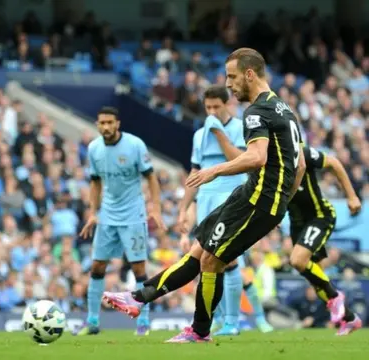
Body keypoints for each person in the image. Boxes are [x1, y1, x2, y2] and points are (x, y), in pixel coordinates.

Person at [103, 48, 306, 343]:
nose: (229, 84)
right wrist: (283, 202)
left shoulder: (255, 113)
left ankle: (200, 330)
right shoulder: (284, 109)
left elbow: (257, 157)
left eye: (232, 77)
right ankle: (138, 298)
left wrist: (215, 172)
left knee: (212, 261)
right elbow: (298, 164)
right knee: (197, 253)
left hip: (258, 200)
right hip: (251, 195)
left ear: (250, 74)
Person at [175, 85, 273, 336]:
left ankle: (234, 320)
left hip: (232, 196)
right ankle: (219, 320)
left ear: (227, 105)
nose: (211, 112)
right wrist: (184, 208)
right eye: (208, 108)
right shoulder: (199, 135)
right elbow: (195, 172)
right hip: (206, 199)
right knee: (208, 264)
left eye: (216, 107)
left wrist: (218, 132)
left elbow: (240, 159)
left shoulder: (243, 127)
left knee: (229, 261)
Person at [73, 106, 166, 337]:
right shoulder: (94, 148)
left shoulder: (135, 145)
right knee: (97, 266)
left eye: (109, 123)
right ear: (97, 124)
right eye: (101, 123)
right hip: (107, 215)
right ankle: (92, 321)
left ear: (118, 124)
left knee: (139, 269)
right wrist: (93, 212)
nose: (105, 127)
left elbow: (151, 177)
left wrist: (155, 207)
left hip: (133, 214)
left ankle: (143, 321)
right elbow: (95, 182)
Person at [286, 145, 363, 335]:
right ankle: (350, 318)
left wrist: (351, 196)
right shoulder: (266, 160)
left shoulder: (301, 152)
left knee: (297, 260)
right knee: (316, 277)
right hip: (297, 223)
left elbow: (334, 163)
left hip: (319, 216)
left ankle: (336, 298)